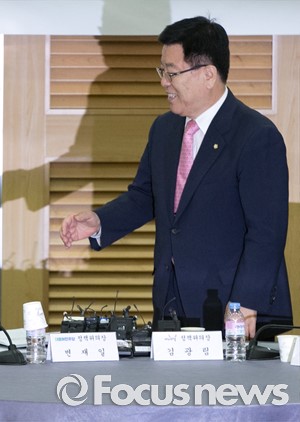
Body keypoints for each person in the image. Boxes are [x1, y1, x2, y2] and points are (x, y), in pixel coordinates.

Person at [59, 16, 292, 339]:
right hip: (172, 303)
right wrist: (100, 222)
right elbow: (145, 196)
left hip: (234, 309)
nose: (164, 83)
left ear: (208, 74)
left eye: (172, 73)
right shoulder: (164, 129)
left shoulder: (255, 136)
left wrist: (246, 303)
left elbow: (267, 232)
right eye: (162, 72)